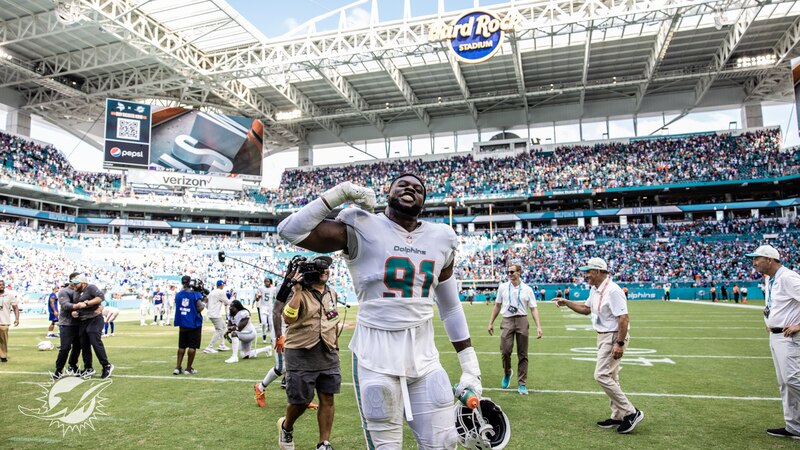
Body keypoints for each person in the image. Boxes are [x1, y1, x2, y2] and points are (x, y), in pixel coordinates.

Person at [277, 175, 483, 449]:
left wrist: (471, 367)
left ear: (424, 201)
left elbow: (451, 307)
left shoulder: (441, 238)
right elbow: (290, 230)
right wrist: (343, 192)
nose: (411, 187)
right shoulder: (362, 225)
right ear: (388, 192)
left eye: (419, 188)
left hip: (425, 355)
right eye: (403, 184)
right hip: (375, 355)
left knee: (445, 442)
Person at [553, 257, 645, 434]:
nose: (585, 275)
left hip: (613, 337)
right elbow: (586, 309)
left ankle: (631, 412)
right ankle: (618, 416)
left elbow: (624, 318)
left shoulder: (613, 291)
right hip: (603, 336)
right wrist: (567, 303)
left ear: (598, 271)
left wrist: (619, 343)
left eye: (588, 271)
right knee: (612, 376)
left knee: (601, 375)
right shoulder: (595, 289)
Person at [276, 257, 342, 450]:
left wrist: (335, 345)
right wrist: (296, 292)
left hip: (328, 352)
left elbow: (332, 320)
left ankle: (324, 442)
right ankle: (286, 427)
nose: (327, 271)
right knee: (301, 401)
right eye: (322, 268)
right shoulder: (299, 291)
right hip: (301, 353)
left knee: (327, 397)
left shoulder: (332, 292)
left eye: (328, 268)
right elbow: (288, 318)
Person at [745, 245, 800, 439]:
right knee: (785, 383)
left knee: (793, 380)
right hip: (776, 336)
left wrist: (799, 325)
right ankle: (794, 427)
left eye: (757, 259)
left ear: (770, 260)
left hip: (789, 336)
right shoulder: (772, 279)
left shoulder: (788, 277)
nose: (754, 263)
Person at [487, 263, 542, 395]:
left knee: (523, 353)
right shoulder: (503, 287)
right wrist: (491, 322)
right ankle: (507, 372)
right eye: (508, 272)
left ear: (519, 272)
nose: (510, 274)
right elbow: (497, 305)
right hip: (507, 320)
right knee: (505, 351)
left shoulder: (527, 289)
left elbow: (533, 308)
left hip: (522, 319)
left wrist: (538, 326)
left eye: (512, 272)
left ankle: (522, 383)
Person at [72, 275, 114, 379]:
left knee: (95, 342)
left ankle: (106, 365)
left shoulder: (91, 287)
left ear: (83, 283)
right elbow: (77, 306)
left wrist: (86, 303)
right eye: (74, 283)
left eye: (77, 283)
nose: (74, 285)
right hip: (83, 320)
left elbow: (100, 297)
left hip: (94, 318)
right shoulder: (76, 293)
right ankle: (88, 368)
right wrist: (75, 312)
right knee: (84, 345)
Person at [53, 274, 87, 378]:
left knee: (78, 346)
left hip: (79, 323)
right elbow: (65, 305)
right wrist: (78, 306)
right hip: (67, 323)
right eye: (77, 279)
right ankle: (58, 370)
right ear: (71, 280)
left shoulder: (82, 291)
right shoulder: (64, 291)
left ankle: (72, 365)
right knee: (65, 347)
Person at [173, 275, 206, 375]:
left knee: (181, 346)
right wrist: (204, 301)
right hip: (193, 323)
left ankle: (178, 367)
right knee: (192, 346)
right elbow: (199, 308)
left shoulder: (178, 294)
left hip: (182, 323)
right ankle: (188, 368)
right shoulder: (195, 294)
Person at [204, 280, 231, 354]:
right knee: (219, 329)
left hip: (212, 313)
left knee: (224, 327)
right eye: (223, 285)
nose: (224, 286)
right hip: (215, 314)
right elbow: (227, 302)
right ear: (221, 285)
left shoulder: (212, 292)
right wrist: (233, 297)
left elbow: (206, 301)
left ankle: (222, 345)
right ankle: (209, 347)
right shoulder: (221, 292)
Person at [0, 280, 20, 363]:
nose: (1, 286)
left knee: (3, 340)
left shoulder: (9, 296)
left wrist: (17, 318)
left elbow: (15, 307)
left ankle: (3, 356)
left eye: (2, 284)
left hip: (4, 321)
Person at [256, 278, 276, 343]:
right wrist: (257, 297)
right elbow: (257, 299)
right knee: (264, 323)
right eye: (265, 281)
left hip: (270, 307)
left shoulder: (274, 289)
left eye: (268, 281)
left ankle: (272, 338)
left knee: (271, 324)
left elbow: (276, 298)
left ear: (270, 282)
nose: (266, 283)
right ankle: (264, 337)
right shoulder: (261, 288)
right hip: (263, 307)